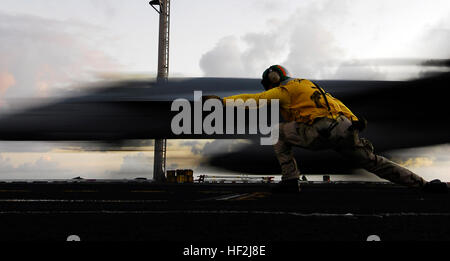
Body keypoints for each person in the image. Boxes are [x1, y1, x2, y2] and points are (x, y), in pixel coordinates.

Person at [204, 65, 445, 192]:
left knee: (276, 132)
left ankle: (290, 181)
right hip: (345, 128)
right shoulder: (311, 86)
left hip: (319, 131)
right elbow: (338, 104)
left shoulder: (284, 90)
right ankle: (423, 185)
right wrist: (355, 120)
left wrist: (222, 102)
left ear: (274, 79)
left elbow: (253, 100)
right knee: (374, 162)